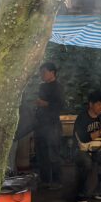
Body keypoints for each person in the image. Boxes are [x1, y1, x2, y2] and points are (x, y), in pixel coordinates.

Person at [34, 62, 66, 190]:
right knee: (42, 154)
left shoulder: (58, 87)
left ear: (52, 72)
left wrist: (45, 104)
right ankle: (45, 180)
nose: (42, 74)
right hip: (40, 124)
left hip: (52, 125)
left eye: (44, 72)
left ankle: (58, 181)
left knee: (53, 153)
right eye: (41, 72)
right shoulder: (42, 87)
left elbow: (60, 106)